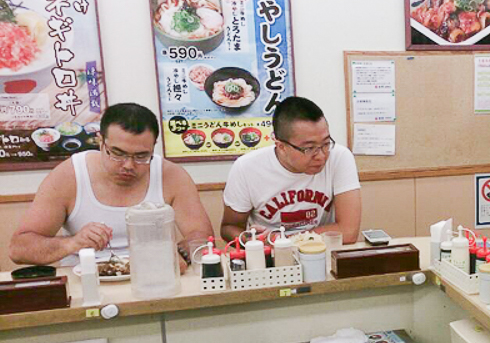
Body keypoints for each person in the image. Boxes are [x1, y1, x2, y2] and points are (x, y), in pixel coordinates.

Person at [9, 103, 212, 270]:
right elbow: (19, 249)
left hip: (153, 275)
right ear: (101, 142)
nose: (128, 165)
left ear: (153, 147)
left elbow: (202, 236)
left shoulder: (171, 175)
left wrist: (181, 253)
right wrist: (72, 243)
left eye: (141, 156)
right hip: (85, 280)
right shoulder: (71, 175)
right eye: (117, 153)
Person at [221, 96, 361, 243]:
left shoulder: (339, 157)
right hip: (269, 253)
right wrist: (254, 239)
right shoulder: (247, 167)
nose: (321, 156)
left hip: (321, 250)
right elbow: (229, 228)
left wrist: (283, 241)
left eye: (326, 144)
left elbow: (348, 232)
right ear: (281, 146)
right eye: (309, 148)